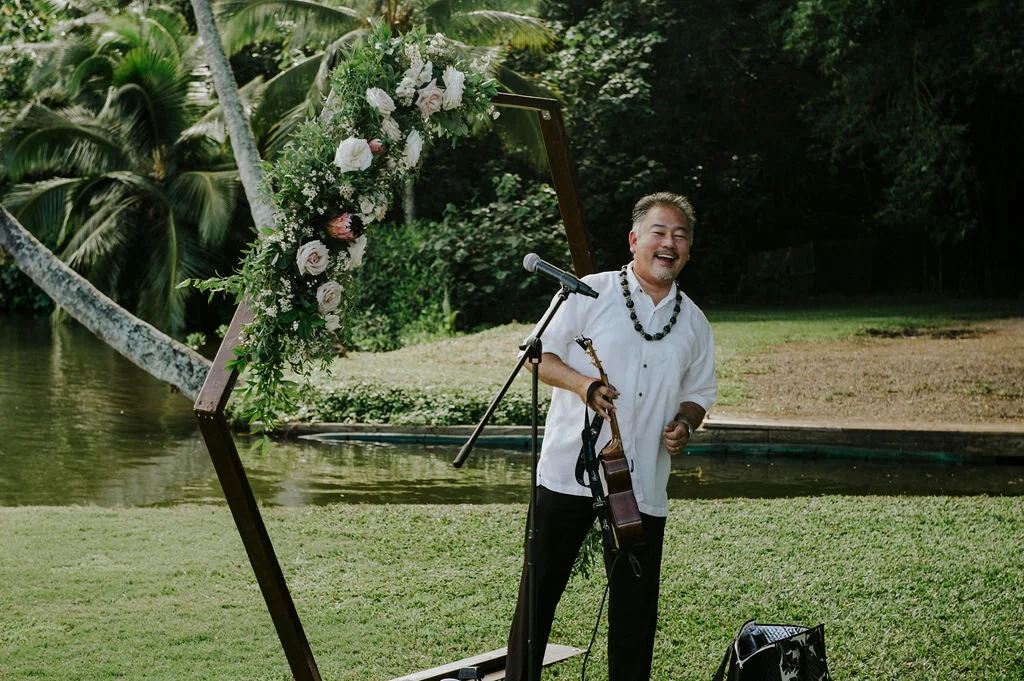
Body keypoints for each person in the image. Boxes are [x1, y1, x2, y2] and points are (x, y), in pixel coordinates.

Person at [505, 192, 717, 681]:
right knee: (538, 597)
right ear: (634, 240)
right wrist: (585, 386)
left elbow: (700, 391)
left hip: (640, 485)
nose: (669, 243)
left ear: (688, 249)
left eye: (680, 235)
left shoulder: (695, 322)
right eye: (659, 233)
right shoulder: (588, 293)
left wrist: (685, 422)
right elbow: (538, 356)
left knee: (635, 610)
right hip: (567, 476)